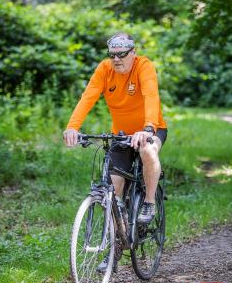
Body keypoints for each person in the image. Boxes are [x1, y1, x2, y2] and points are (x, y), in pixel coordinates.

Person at [63, 32, 167, 224]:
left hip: (151, 129)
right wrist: (72, 127)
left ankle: (149, 202)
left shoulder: (143, 66)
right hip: (121, 135)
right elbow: (87, 98)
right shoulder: (104, 69)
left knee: (147, 150)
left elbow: (151, 95)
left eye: (122, 54)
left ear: (133, 52)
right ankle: (118, 237)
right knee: (114, 190)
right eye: (113, 55)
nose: (117, 59)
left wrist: (149, 128)